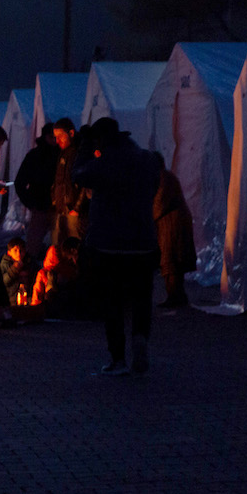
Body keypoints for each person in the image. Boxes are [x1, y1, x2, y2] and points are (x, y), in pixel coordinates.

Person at [72, 118, 160, 376]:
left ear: (101, 140)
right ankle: (140, 338)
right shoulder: (147, 160)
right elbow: (154, 187)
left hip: (108, 245)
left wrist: (85, 146)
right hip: (143, 241)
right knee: (142, 297)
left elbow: (77, 175)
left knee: (112, 303)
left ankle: (118, 359)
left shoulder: (103, 164)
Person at [152, 152, 197, 307]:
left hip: (172, 224)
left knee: (171, 259)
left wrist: (148, 217)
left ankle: (175, 296)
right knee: (171, 259)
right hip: (171, 223)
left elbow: (160, 203)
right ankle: (176, 295)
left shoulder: (164, 179)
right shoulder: (165, 177)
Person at [14, 124, 59, 264]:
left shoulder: (62, 154)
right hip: (41, 206)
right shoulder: (35, 156)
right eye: (53, 137)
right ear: (46, 137)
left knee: (58, 244)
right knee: (34, 244)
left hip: (58, 207)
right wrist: (31, 202)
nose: (56, 141)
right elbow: (19, 182)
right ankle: (29, 274)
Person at [51, 118, 87, 247]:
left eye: (60, 136)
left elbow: (84, 183)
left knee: (75, 245)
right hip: (61, 208)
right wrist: (55, 199)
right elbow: (58, 180)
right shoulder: (63, 153)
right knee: (58, 244)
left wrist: (77, 207)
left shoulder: (80, 153)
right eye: (56, 137)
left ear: (71, 133)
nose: (57, 140)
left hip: (73, 210)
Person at [0, 236, 31, 305]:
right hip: (11, 300)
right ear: (9, 252)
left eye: (21, 250)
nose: (18, 253)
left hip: (28, 298)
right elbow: (2, 282)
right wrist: (14, 270)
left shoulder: (30, 262)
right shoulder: (5, 264)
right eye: (15, 250)